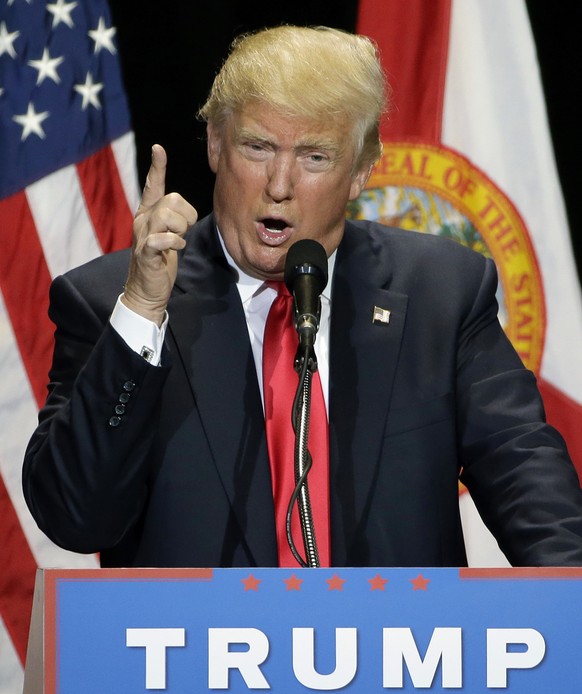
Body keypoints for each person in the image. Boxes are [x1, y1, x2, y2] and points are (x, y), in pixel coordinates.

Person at [23, 25, 582, 569]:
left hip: (395, 655)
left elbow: (525, 478)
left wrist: (568, 608)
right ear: (215, 145)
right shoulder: (109, 303)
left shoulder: (441, 292)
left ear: (362, 169)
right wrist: (145, 310)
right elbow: (76, 517)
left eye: (315, 157)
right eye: (258, 147)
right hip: (196, 658)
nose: (280, 184)